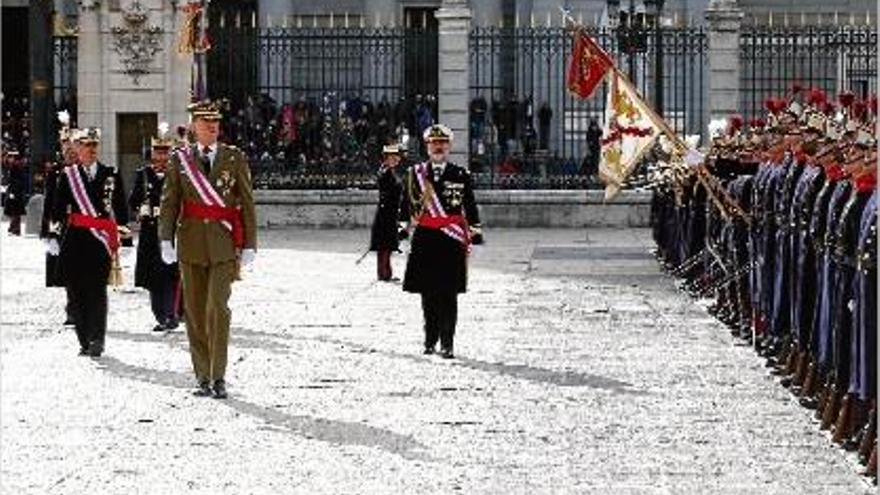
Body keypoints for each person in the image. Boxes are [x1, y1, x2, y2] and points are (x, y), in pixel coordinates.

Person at [159, 99, 257, 399]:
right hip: (190, 243)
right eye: (205, 122)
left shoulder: (233, 157)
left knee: (218, 308)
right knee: (195, 313)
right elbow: (170, 200)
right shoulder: (179, 159)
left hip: (223, 244)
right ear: (194, 126)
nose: (212, 127)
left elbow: (247, 200)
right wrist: (165, 238)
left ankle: (218, 375)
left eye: (215, 123)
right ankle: (202, 375)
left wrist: (250, 243)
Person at [399, 124, 483, 359]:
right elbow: (405, 206)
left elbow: (471, 206)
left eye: (443, 143)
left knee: (449, 293)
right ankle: (430, 339)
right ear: (427, 146)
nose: (438, 147)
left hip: (451, 240)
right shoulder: (414, 174)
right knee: (428, 294)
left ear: (449, 147)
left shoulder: (461, 174)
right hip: (425, 238)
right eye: (434, 143)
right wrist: (402, 230)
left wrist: (475, 233)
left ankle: (448, 343)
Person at [47, 127, 128, 357]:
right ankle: (83, 338)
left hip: (99, 241)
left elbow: (120, 209)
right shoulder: (68, 175)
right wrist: (53, 236)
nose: (91, 150)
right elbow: (57, 208)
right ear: (77, 149)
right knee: (75, 291)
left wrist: (121, 235)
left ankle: (97, 338)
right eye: (86, 146)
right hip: (75, 239)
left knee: (97, 291)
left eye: (94, 146)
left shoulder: (111, 173)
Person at [130, 124, 180, 332]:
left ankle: (171, 314)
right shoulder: (142, 174)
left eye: (165, 153)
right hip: (150, 232)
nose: (161, 158)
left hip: (170, 231)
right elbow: (133, 200)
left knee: (170, 274)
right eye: (157, 153)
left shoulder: (177, 174)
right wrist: (139, 209)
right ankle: (159, 315)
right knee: (152, 277)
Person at [41, 116, 80, 325]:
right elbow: (49, 204)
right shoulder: (56, 171)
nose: (69, 151)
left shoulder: (83, 170)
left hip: (81, 224)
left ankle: (79, 307)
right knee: (66, 270)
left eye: (72, 146)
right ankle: (72, 308)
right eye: (65, 146)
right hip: (62, 225)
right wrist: (48, 233)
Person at [370, 144, 404, 281]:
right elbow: (389, 193)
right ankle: (383, 273)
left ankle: (386, 272)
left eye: (397, 157)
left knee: (387, 245)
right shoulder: (386, 173)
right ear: (387, 158)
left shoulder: (388, 171)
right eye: (393, 157)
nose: (397, 159)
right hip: (386, 214)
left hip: (390, 212)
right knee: (385, 245)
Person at [3, 149, 27, 236]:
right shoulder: (15, 166)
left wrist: (13, 192)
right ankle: (14, 229)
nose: (10, 159)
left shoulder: (16, 167)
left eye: (11, 157)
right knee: (15, 211)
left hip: (15, 191)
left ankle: (15, 229)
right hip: (15, 191)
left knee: (15, 211)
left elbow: (17, 181)